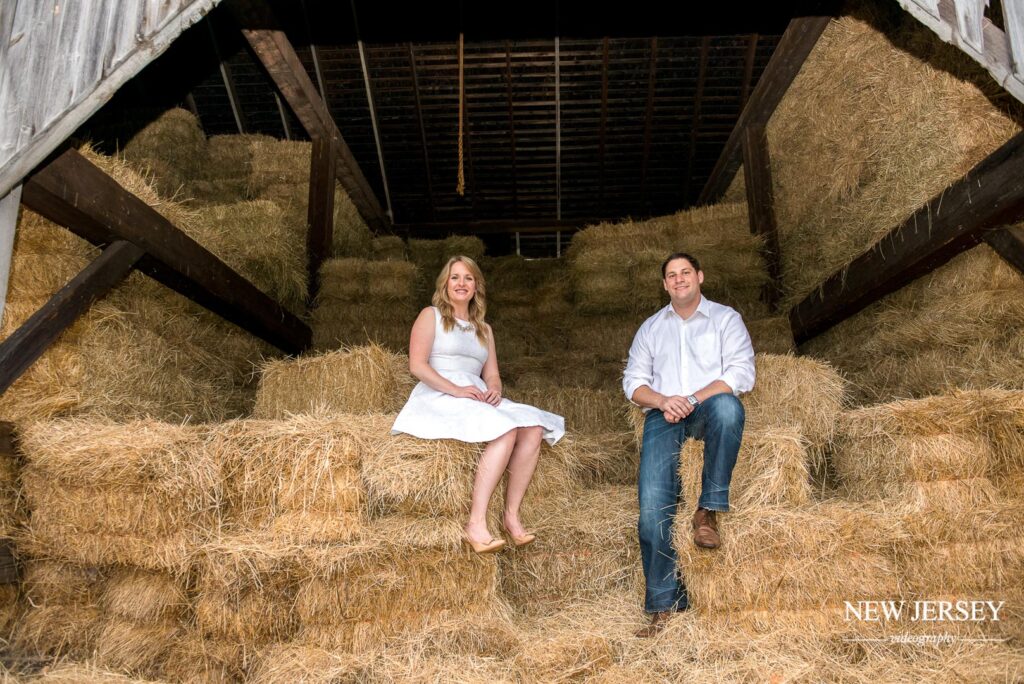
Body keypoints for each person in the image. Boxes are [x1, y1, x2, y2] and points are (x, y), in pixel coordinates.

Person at [391, 255, 565, 554]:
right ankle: (476, 522)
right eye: (455, 277)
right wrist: (457, 390)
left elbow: (492, 374)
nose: (461, 283)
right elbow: (417, 366)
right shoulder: (430, 315)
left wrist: (495, 390)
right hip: (440, 393)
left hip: (476, 394)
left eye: (468, 278)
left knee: (534, 428)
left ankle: (511, 515)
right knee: (506, 431)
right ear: (445, 283)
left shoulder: (484, 329)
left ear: (476, 286)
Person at [622, 252, 755, 637]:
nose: (679, 279)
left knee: (729, 408)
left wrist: (692, 398)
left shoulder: (725, 319)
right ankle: (665, 605)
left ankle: (707, 509)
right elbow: (633, 382)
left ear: (699, 276)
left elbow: (741, 372)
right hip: (663, 415)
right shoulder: (651, 328)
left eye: (685, 272)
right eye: (671, 275)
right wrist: (663, 400)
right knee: (651, 508)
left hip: (707, 407)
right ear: (664, 285)